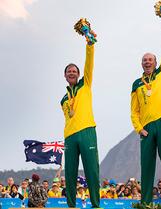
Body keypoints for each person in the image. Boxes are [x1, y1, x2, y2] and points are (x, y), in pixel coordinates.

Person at [130, 15, 161, 205]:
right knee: (147, 167)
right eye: (144, 60)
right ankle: (145, 203)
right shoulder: (136, 84)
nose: (147, 62)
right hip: (147, 128)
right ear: (141, 64)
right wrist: (139, 128)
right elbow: (134, 111)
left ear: (156, 62)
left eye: (150, 59)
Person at [61, 26, 100, 208]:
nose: (72, 73)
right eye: (68, 71)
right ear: (65, 76)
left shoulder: (86, 83)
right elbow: (69, 116)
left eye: (74, 71)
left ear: (78, 74)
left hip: (87, 131)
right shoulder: (63, 99)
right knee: (69, 173)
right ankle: (71, 205)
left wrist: (89, 43)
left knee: (92, 170)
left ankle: (95, 204)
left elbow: (89, 63)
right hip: (70, 136)